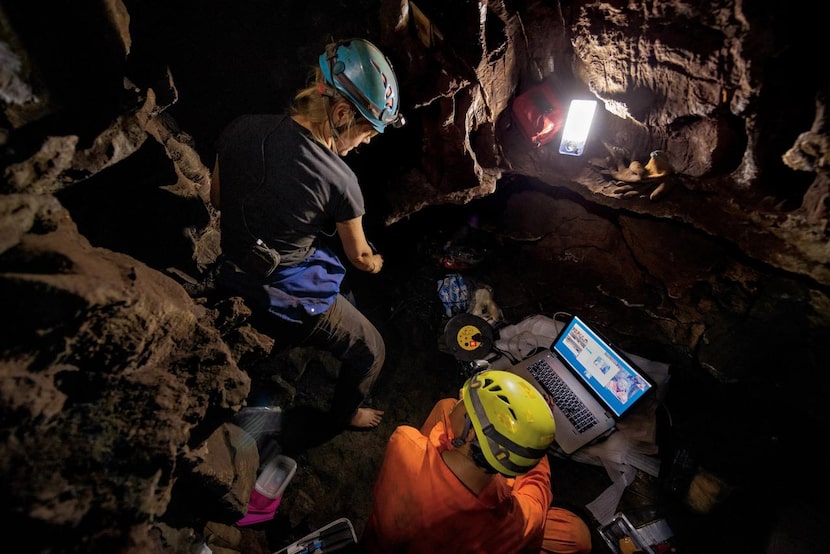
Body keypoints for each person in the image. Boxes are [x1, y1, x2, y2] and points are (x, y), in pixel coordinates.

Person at [210, 38, 405, 453]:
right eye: (367, 132)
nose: (367, 142)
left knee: (332, 280)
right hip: (279, 293)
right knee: (372, 350)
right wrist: (378, 263)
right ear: (339, 113)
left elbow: (216, 198)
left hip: (230, 265)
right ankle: (343, 415)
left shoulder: (242, 127)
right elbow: (360, 257)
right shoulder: (342, 182)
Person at [360, 370, 592, 554]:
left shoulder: (404, 440)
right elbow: (536, 494)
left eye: (467, 402)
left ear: (470, 434)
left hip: (381, 541)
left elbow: (438, 436)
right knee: (575, 536)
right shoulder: (508, 522)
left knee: (445, 406)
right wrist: (533, 443)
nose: (461, 396)